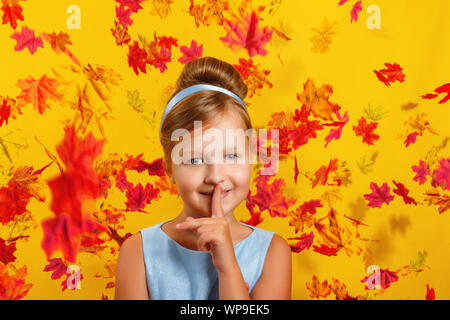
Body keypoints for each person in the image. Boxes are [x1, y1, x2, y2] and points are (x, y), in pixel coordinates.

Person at [114, 56, 291, 300]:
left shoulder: (272, 252)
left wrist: (227, 267)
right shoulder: (138, 252)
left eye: (231, 155)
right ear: (169, 168)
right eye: (194, 160)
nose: (216, 175)